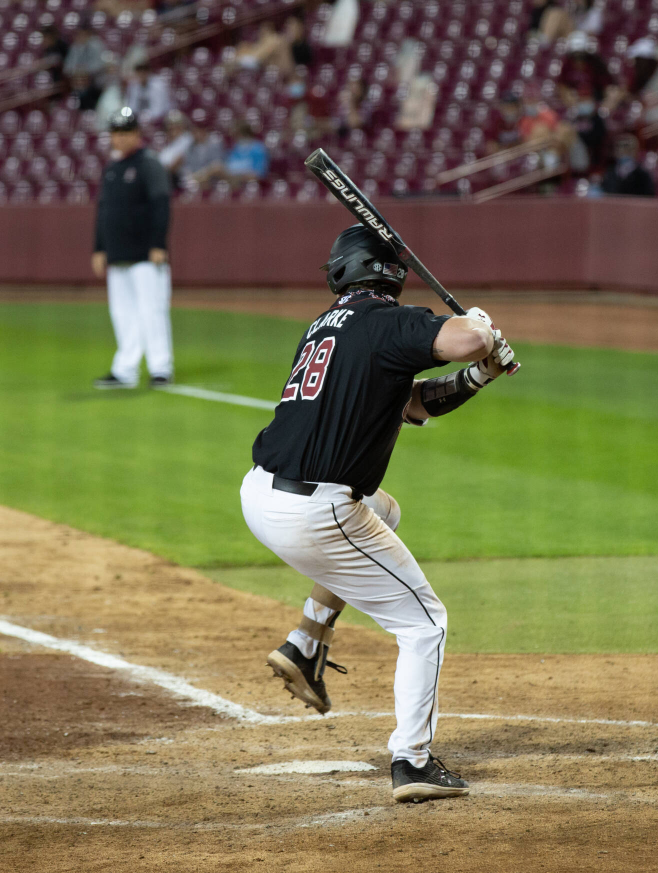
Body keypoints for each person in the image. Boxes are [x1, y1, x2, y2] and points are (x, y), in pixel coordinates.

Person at [242, 226, 516, 803]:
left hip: (261, 495)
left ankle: (306, 640)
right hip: (316, 513)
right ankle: (413, 761)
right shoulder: (389, 321)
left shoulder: (325, 327)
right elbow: (464, 337)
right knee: (425, 624)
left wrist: (481, 375)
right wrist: (484, 330)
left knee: (383, 509)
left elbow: (410, 404)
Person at [91, 108, 174, 390]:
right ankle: (125, 370)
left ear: (138, 134)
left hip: (145, 254)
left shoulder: (149, 163)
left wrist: (158, 244)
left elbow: (161, 205)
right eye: (116, 132)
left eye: (126, 132)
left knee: (152, 310)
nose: (121, 137)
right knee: (122, 313)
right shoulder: (112, 168)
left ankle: (160, 368)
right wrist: (100, 248)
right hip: (117, 254)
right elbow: (103, 211)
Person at [157, 110, 193, 176]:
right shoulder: (167, 146)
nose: (173, 131)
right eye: (170, 128)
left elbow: (175, 164)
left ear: (182, 127)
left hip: (187, 177)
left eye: (177, 127)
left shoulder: (187, 139)